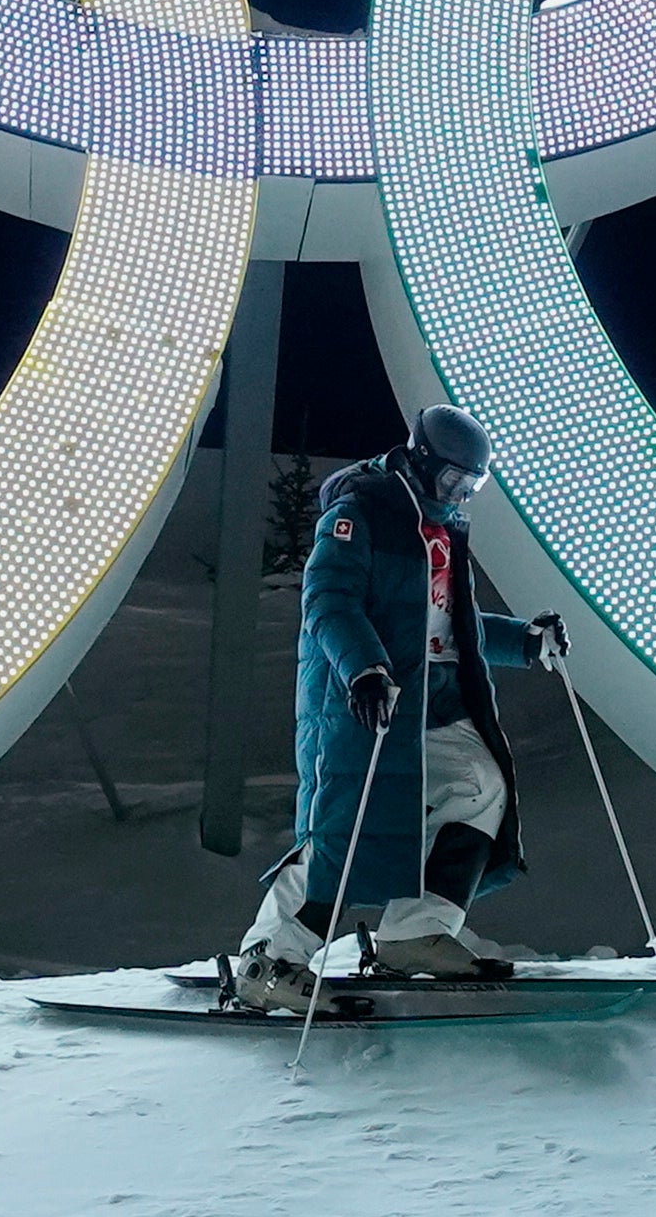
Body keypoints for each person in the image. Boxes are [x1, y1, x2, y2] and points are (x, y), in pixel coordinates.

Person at [224, 404, 570, 1009]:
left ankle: (416, 934)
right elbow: (329, 602)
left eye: (472, 487)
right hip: (366, 700)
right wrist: (363, 668)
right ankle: (268, 959)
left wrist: (525, 639)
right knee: (347, 830)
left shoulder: (441, 528)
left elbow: (445, 625)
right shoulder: (363, 512)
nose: (459, 495)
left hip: (433, 699)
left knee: (481, 787)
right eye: (451, 482)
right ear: (420, 461)